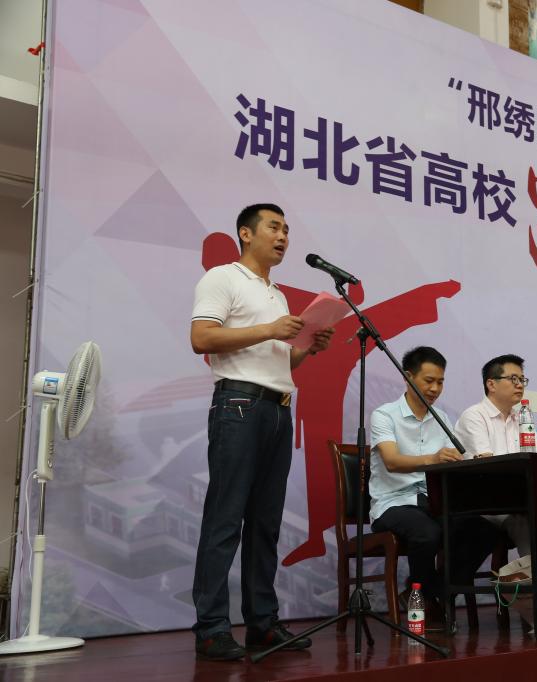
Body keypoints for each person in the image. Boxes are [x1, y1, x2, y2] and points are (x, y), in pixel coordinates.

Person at [190, 204, 335, 660]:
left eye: (287, 229)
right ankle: (211, 628)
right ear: (246, 233)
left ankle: (262, 623)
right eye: (274, 227)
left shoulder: (277, 295)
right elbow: (202, 338)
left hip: (278, 407)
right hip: (238, 405)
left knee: (266, 523)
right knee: (225, 517)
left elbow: (281, 361)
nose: (283, 236)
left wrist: (309, 346)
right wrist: (270, 329)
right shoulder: (223, 277)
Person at [369, 346, 503, 629]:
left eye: (440, 382)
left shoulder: (441, 418)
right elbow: (391, 461)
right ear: (408, 377)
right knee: (427, 533)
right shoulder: (384, 415)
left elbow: (451, 463)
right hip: (393, 503)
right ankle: (427, 601)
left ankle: (430, 590)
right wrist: (433, 458)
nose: (435, 389)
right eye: (428, 381)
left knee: (486, 530)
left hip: (432, 502)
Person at [454, 353, 537, 557]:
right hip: (482, 501)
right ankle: (533, 575)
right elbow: (487, 466)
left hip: (517, 498)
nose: (520, 385)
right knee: (527, 520)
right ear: (491, 384)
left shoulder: (522, 418)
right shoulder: (474, 416)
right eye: (513, 379)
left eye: (522, 379)